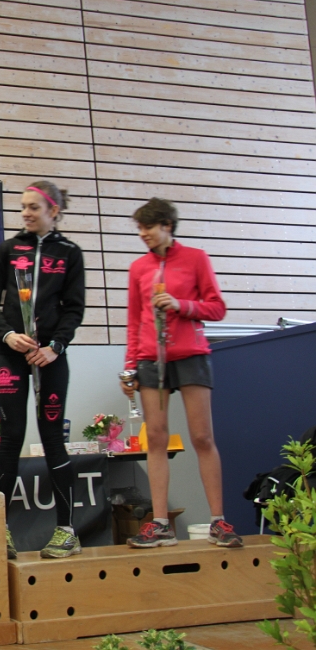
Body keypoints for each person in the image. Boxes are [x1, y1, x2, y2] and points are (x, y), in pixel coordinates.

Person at [122, 198, 242, 549]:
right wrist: (129, 367)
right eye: (140, 228)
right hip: (150, 359)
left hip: (191, 355)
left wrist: (181, 305)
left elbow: (217, 308)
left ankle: (218, 521)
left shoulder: (196, 258)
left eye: (148, 227)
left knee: (202, 437)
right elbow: (134, 321)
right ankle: (160, 524)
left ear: (167, 226)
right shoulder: (138, 268)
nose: (143, 234)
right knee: (156, 439)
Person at [0, 181, 86, 560]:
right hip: (10, 354)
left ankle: (66, 531)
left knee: (53, 437)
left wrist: (55, 347)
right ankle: (0, 531)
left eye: (34, 207)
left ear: (53, 211)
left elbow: (74, 309)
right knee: (11, 437)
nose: (25, 213)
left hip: (50, 357)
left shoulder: (70, 253)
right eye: (23, 206)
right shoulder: (9, 250)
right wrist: (8, 335)